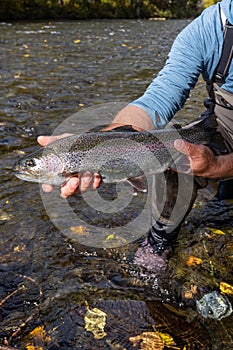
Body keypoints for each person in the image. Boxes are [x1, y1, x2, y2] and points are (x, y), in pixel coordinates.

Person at [38, 0, 233, 275]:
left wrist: (220, 166)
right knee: (169, 153)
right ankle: (159, 240)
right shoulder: (209, 28)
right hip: (223, 126)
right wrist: (102, 143)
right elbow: (159, 97)